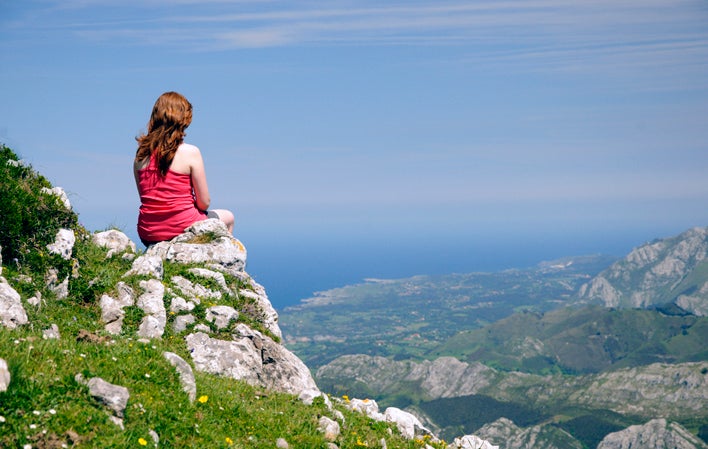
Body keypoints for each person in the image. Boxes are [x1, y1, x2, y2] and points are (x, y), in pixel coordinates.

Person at [134, 91, 234, 246]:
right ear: (183, 120)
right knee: (228, 217)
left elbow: (148, 199)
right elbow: (204, 203)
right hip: (183, 227)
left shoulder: (140, 155)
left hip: (148, 232)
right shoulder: (190, 152)